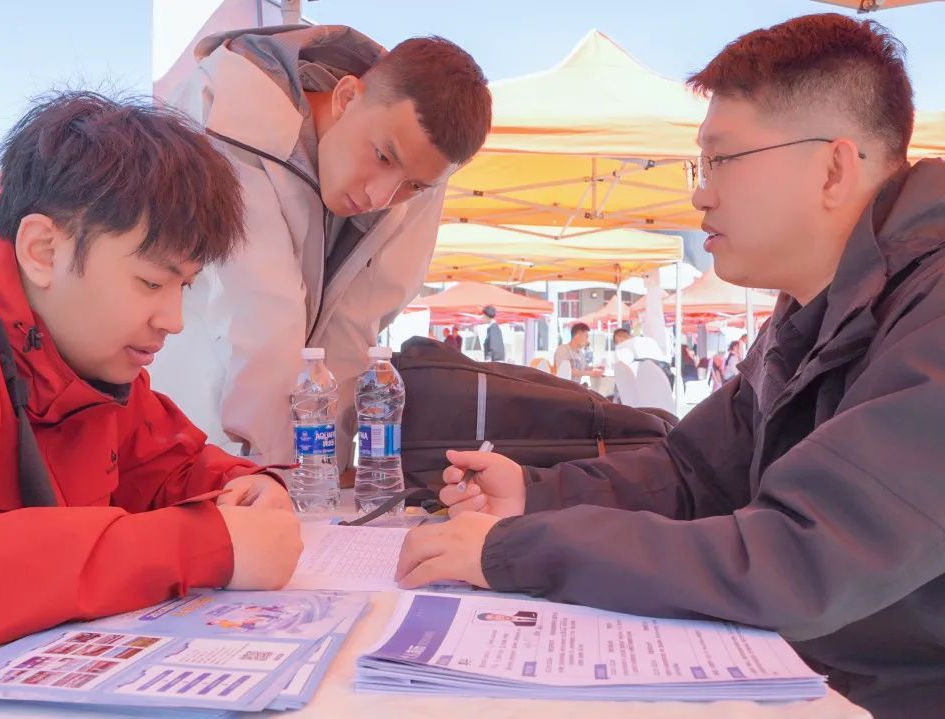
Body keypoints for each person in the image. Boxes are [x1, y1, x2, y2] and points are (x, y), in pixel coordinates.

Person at [395, 15, 944, 718]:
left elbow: (801, 557)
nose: (700, 194)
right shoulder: (810, 312)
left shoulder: (931, 314)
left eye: (722, 160)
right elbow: (693, 474)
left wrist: (516, 549)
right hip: (817, 680)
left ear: (833, 168)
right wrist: (535, 495)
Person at [0, 93, 303, 693]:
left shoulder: (83, 358)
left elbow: (172, 468)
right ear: (43, 250)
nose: (173, 320)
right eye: (150, 281)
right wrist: (202, 545)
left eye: (185, 286)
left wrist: (248, 489)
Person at [150, 26, 492, 472]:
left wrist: (330, 467)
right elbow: (261, 315)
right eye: (383, 157)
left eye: (414, 185)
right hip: (183, 428)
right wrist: (274, 474)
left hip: (279, 463)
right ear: (346, 97)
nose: (381, 196)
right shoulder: (226, 110)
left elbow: (358, 323)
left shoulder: (418, 166)